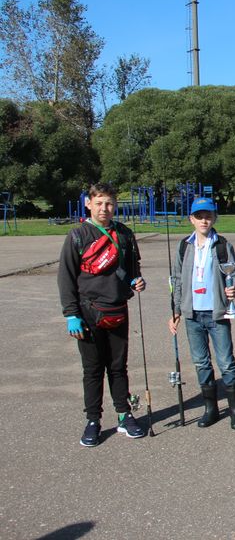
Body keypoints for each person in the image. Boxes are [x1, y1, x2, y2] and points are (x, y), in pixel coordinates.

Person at [58, 182, 147, 446]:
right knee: (93, 369)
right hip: (87, 312)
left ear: (115, 204)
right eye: (98, 203)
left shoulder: (125, 234)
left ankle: (124, 415)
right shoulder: (77, 235)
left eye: (109, 203)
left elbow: (133, 268)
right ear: (88, 204)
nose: (104, 208)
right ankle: (93, 421)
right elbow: (66, 277)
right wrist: (71, 314)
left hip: (117, 308)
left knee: (118, 367)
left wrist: (136, 281)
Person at [168, 197, 235, 430]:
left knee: (226, 362)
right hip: (192, 314)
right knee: (201, 363)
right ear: (191, 219)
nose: (204, 220)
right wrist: (176, 310)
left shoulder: (222, 245)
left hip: (217, 313)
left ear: (214, 218)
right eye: (199, 216)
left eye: (208, 216)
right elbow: (176, 280)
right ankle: (210, 408)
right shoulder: (184, 246)